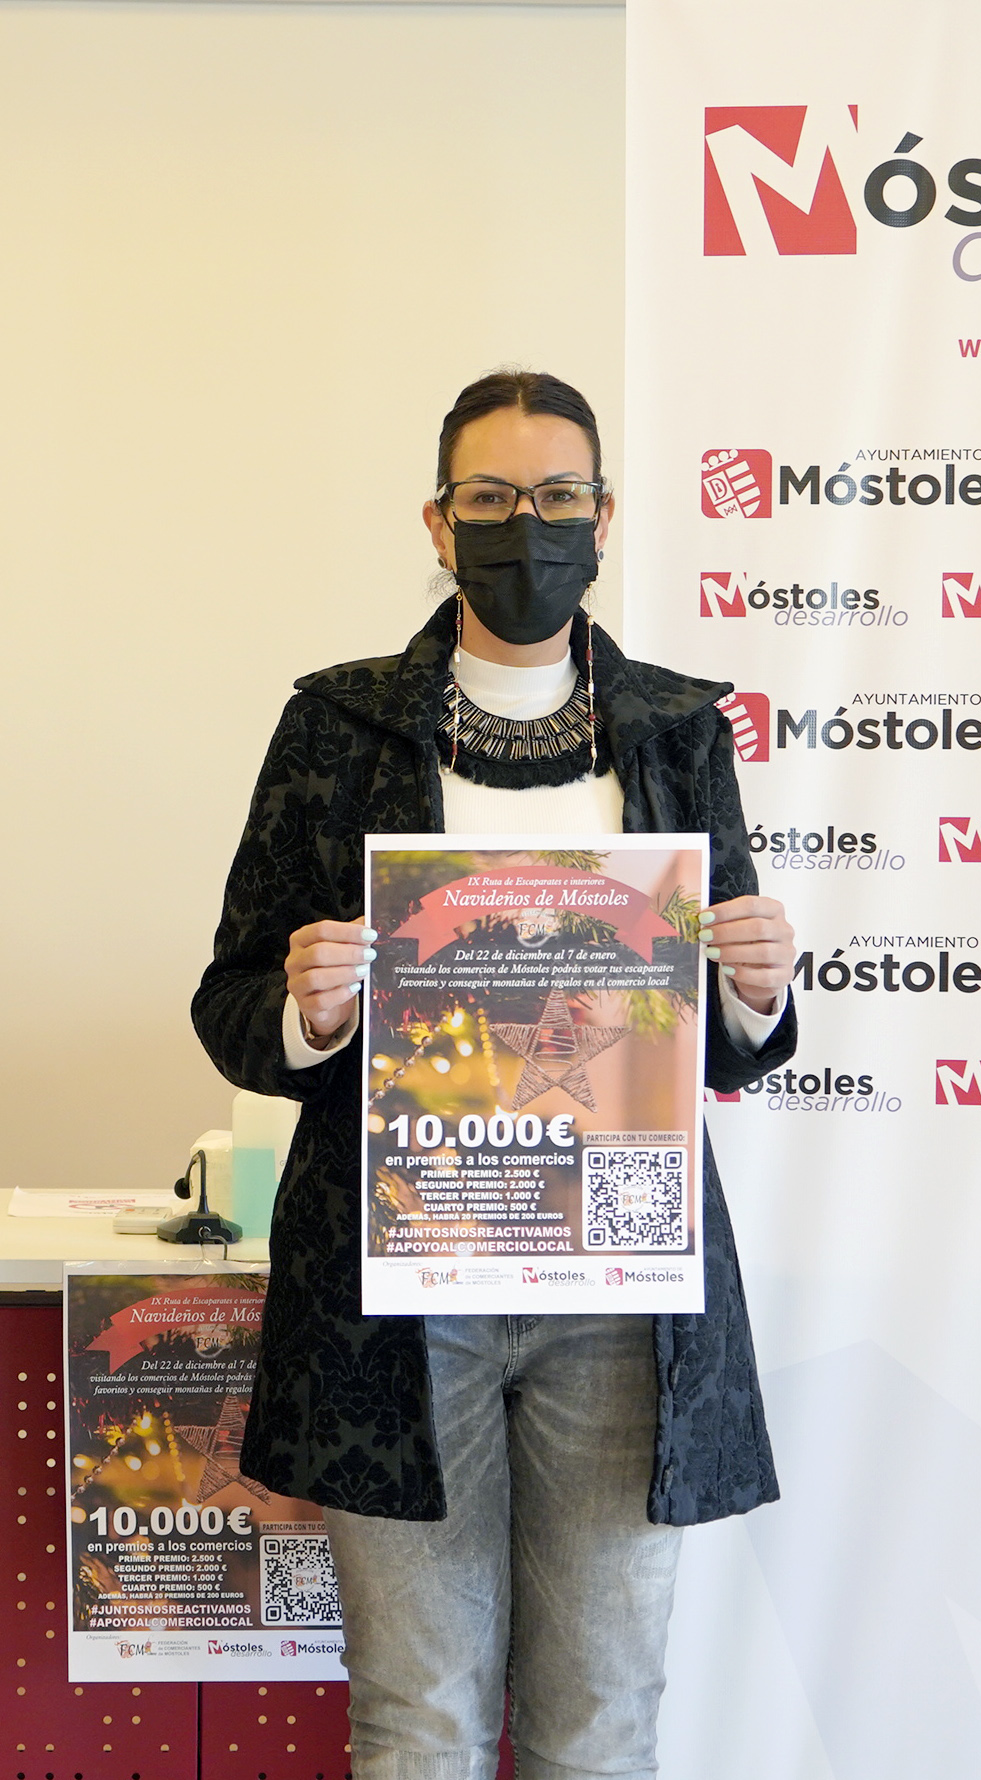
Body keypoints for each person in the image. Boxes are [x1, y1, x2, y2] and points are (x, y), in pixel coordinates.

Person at [191, 371, 799, 1779]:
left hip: (621, 1285)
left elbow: (717, 1034)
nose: (528, 525)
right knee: (420, 1718)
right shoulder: (337, 727)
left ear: (605, 518)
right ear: (438, 520)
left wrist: (755, 991)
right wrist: (307, 1010)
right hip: (398, 1289)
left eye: (558, 496)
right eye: (490, 498)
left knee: (603, 1720)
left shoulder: (676, 731)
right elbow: (230, 1001)